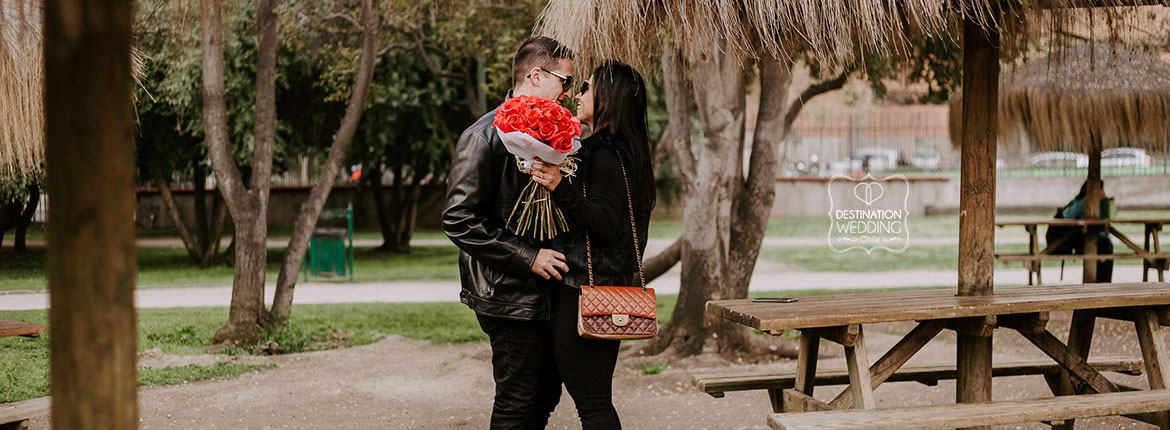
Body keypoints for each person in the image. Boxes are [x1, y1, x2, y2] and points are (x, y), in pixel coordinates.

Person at [442, 36, 575, 429]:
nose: (568, 92)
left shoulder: (558, 136)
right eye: (565, 81)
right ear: (536, 75)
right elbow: (458, 218)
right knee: (517, 400)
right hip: (507, 292)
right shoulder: (481, 136)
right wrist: (527, 257)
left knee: (547, 394)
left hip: (552, 291)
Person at [530, 61, 655, 430]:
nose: (578, 94)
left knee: (594, 403)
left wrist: (559, 185)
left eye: (586, 87)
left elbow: (603, 223)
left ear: (608, 97)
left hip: (585, 291)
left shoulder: (605, 154)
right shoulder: (624, 150)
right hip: (599, 286)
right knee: (563, 396)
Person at [1057, 181, 1115, 283]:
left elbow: (1112, 216)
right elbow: (1067, 215)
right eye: (1100, 190)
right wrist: (1086, 201)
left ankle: (1103, 285)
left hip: (1102, 239)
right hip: (1082, 239)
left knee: (1106, 250)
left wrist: (1106, 202)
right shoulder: (1079, 202)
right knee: (1099, 250)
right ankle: (1095, 284)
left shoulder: (1104, 203)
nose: (1102, 192)